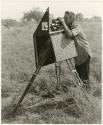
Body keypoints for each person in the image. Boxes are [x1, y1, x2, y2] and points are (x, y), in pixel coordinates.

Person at [58, 11, 93, 90]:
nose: (64, 19)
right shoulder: (69, 27)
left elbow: (69, 34)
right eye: (64, 18)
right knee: (79, 78)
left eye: (66, 18)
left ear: (71, 18)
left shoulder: (77, 26)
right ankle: (82, 94)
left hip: (84, 54)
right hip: (78, 56)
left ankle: (87, 97)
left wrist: (63, 23)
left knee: (84, 78)